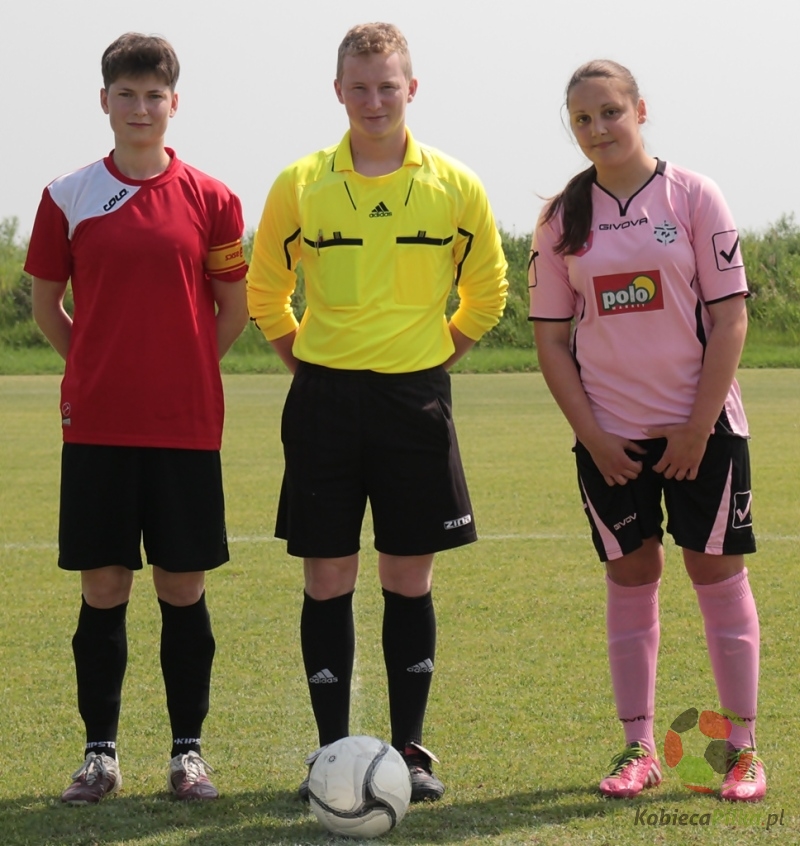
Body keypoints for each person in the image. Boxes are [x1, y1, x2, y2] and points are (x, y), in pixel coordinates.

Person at [246, 22, 507, 803]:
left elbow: (488, 292)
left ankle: (410, 752)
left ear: (411, 89)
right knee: (328, 574)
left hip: (414, 400)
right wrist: (308, 366)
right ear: (338, 92)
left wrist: (429, 363)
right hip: (323, 399)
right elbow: (266, 291)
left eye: (387, 86)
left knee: (407, 575)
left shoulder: (456, 185)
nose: (374, 101)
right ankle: (331, 754)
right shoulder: (300, 183)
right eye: (358, 87)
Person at [529, 59, 764, 802]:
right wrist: (594, 437)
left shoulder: (693, 195)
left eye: (610, 111)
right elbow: (551, 341)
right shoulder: (560, 219)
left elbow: (730, 319)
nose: (598, 128)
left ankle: (743, 753)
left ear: (640, 109)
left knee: (716, 577)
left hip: (704, 432)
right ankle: (639, 748)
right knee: (631, 579)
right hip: (613, 443)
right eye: (582, 118)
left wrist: (695, 428)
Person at [25, 33, 248, 804]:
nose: (141, 107)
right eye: (127, 94)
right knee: (104, 588)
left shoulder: (213, 198)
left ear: (174, 103)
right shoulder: (68, 194)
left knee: (182, 588)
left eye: (155, 95)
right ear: (105, 101)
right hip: (98, 427)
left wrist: (184, 368)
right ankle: (99, 755)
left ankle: (188, 755)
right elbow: (46, 306)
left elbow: (232, 310)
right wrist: (93, 364)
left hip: (185, 426)